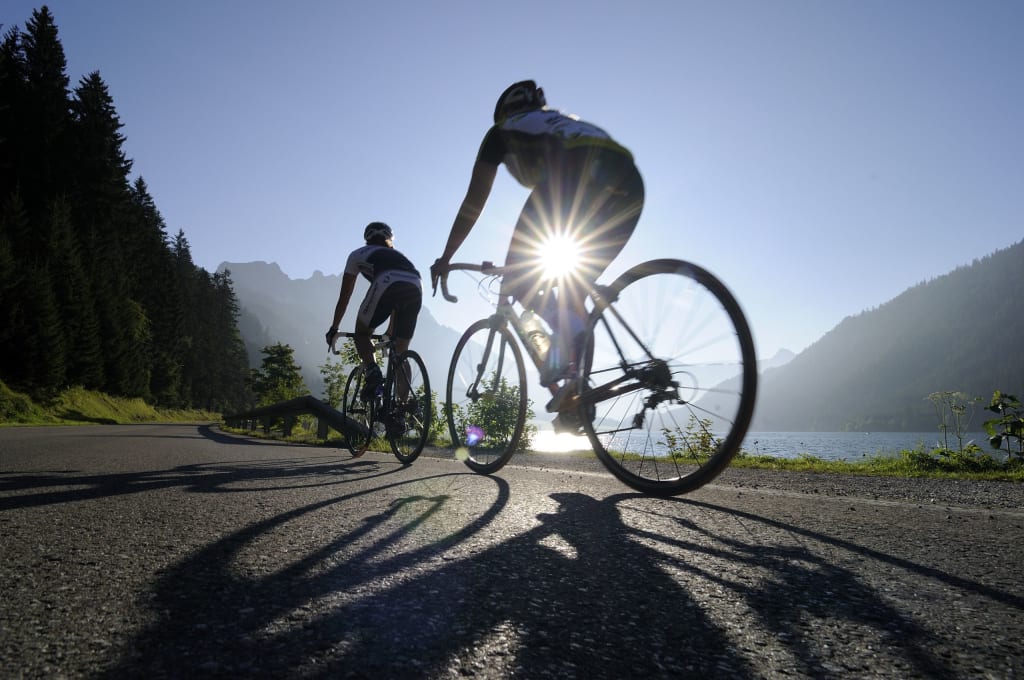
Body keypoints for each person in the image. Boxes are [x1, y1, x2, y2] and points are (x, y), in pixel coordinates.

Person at [431, 80, 644, 432]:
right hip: (628, 181)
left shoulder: (501, 130)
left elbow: (474, 201)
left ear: (505, 111)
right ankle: (575, 396)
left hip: (571, 175)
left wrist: (446, 257)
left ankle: (567, 345)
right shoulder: (561, 122)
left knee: (519, 277)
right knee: (575, 285)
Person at [326, 222, 422, 403]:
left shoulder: (357, 255)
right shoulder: (399, 255)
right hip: (416, 284)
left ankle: (372, 370)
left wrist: (334, 327)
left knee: (362, 334)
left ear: (367, 239)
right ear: (389, 240)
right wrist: (390, 332)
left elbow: (344, 297)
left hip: (386, 281)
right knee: (401, 352)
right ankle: (402, 410)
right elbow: (397, 301)